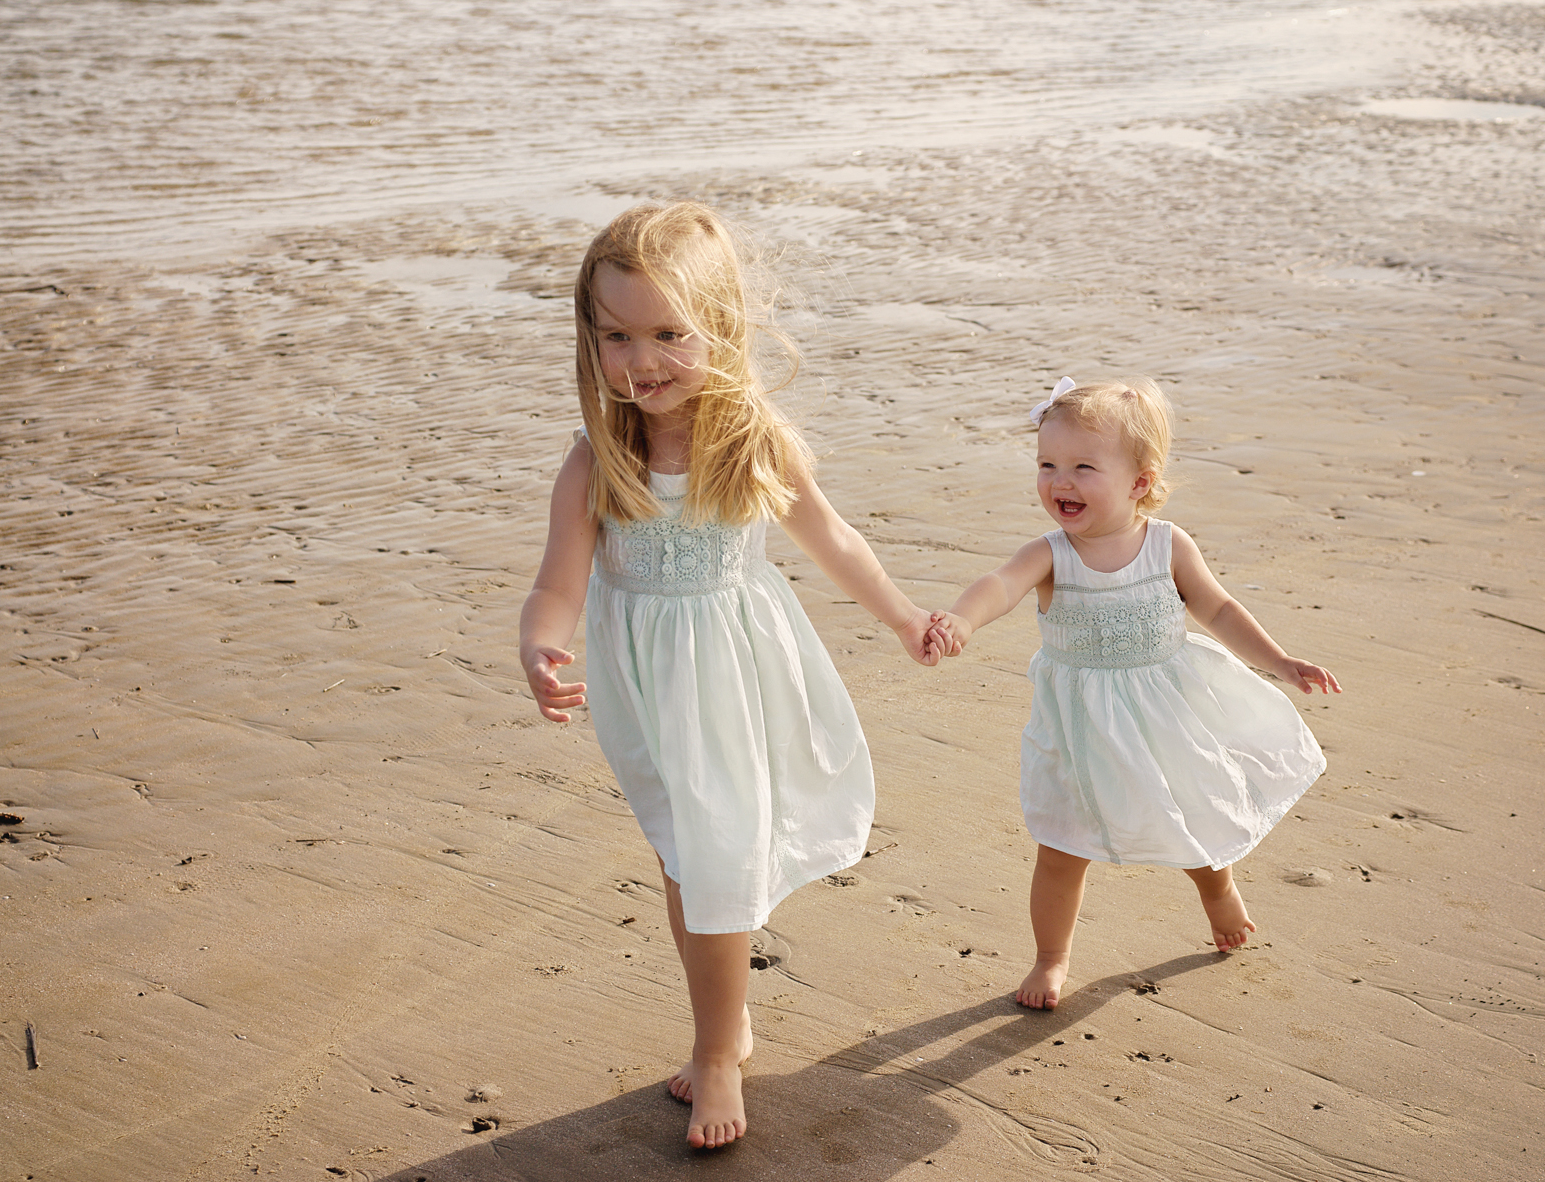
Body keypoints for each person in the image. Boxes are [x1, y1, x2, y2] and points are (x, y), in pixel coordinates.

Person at [519, 201, 944, 1148]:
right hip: (646, 691)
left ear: (721, 327)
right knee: (686, 853)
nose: (645, 360)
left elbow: (835, 543)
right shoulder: (595, 463)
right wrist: (541, 646)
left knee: (714, 853)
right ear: (591, 340)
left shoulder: (751, 441)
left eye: (671, 333)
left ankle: (716, 1050)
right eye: (619, 336)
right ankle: (727, 1015)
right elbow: (557, 583)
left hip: (740, 676)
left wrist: (907, 617)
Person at [929, 376, 1340, 1011]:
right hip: (1079, 728)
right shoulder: (1049, 555)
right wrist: (960, 618)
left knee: (1191, 812)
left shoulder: (1168, 547)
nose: (1060, 482)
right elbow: (999, 585)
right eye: (1047, 465)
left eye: (1083, 467)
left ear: (1139, 482)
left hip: (1166, 712)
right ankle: (1051, 956)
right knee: (1061, 848)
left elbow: (1219, 609)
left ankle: (1216, 889)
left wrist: (1278, 661)